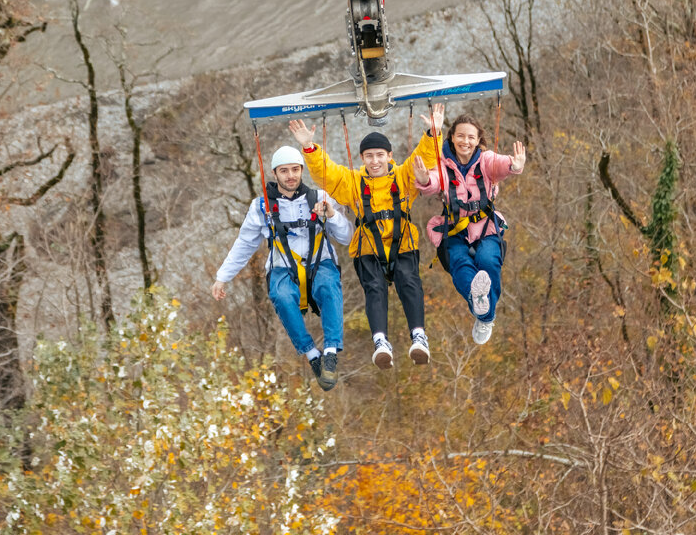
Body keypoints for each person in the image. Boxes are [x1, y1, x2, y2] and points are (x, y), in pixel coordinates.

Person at [289, 103, 445, 369]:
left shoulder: (404, 176)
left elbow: (425, 159)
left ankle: (419, 335)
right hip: (368, 247)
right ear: (362, 159)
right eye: (369, 156)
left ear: (389, 155)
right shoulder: (353, 182)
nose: (375, 161)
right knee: (374, 289)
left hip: (402, 242)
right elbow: (328, 174)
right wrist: (309, 149)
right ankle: (381, 342)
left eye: (380, 155)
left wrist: (433, 134)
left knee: (409, 281)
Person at [213, 146, 353, 391]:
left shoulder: (320, 198)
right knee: (281, 295)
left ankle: (330, 351)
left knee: (329, 287)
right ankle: (312, 355)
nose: (291, 176)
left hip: (320, 261)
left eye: (295, 170)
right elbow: (244, 244)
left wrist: (331, 215)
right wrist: (222, 277)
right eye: (285, 171)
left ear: (302, 171)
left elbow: (347, 237)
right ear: (275, 173)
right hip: (282, 266)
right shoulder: (261, 208)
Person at [412, 114, 525, 345]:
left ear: (478, 140)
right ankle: (484, 311)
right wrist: (424, 179)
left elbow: (501, 165)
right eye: (460, 136)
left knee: (488, 259)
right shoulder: (443, 164)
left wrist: (514, 165)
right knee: (459, 262)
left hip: (485, 225)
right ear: (452, 137)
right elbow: (434, 180)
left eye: (471, 137)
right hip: (455, 228)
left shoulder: (485, 160)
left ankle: (482, 310)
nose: (465, 141)